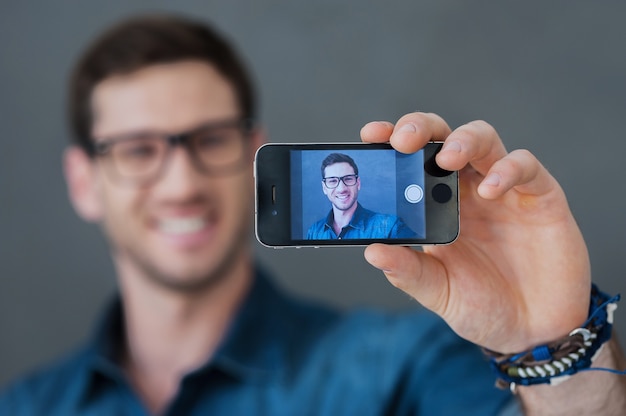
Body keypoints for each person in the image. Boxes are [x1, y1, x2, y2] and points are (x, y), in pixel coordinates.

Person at [1, 13, 625, 416]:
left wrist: (551, 351)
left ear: (253, 151)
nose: (182, 182)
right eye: (138, 150)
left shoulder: (402, 367)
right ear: (83, 182)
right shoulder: (27, 408)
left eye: (210, 139)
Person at [306, 152, 419, 240]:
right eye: (332, 181)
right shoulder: (314, 231)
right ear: (324, 187)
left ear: (358, 183)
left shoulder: (390, 227)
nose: (341, 189)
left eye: (348, 179)